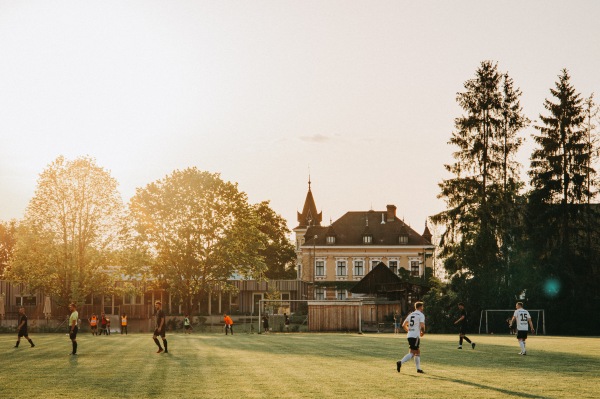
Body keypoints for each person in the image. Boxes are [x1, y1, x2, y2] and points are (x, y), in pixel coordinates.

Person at [396, 302, 425, 374]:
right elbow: (422, 326)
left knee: (417, 351)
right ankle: (400, 362)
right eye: (422, 306)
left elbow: (403, 325)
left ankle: (418, 369)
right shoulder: (421, 315)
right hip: (415, 336)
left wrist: (409, 331)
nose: (423, 308)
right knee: (413, 353)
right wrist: (422, 332)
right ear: (420, 307)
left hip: (410, 335)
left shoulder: (411, 314)